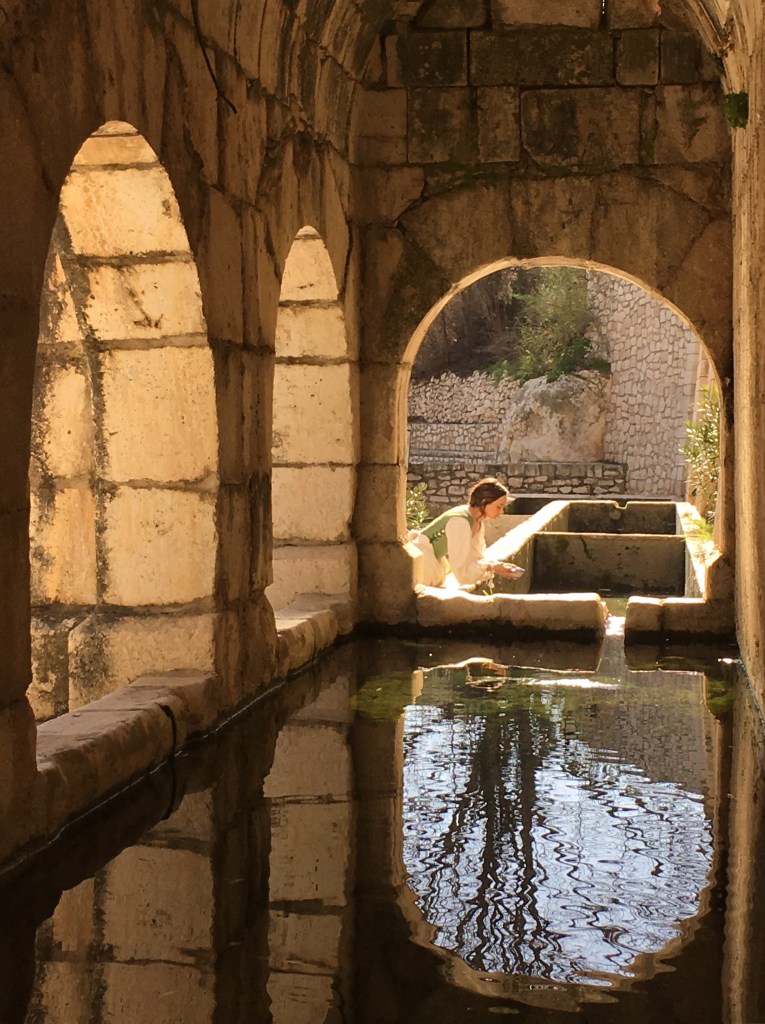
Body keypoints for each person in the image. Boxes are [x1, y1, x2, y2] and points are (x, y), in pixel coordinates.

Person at [409, 477, 524, 588]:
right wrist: (491, 567)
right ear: (484, 502)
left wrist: (496, 567)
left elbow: (476, 558)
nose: (501, 512)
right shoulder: (460, 522)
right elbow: (461, 572)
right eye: (499, 507)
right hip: (420, 563)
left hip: (429, 561)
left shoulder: (476, 521)